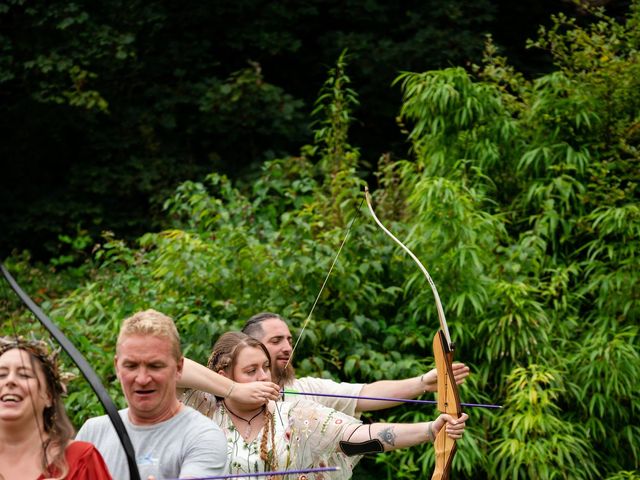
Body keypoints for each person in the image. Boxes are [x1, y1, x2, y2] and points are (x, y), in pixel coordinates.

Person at [183, 332, 468, 479]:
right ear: (223, 375)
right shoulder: (200, 406)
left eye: (265, 368)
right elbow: (169, 366)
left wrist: (430, 429)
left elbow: (357, 437)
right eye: (250, 371)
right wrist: (232, 391)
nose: (262, 376)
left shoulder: (294, 414)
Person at [181, 312, 470, 417]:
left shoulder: (305, 389)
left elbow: (366, 394)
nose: (286, 348)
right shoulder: (211, 397)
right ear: (250, 346)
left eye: (289, 339)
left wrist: (422, 382)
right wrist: (234, 390)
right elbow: (172, 368)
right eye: (276, 340)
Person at [76, 309, 237, 480]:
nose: (142, 379)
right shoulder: (92, 432)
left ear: (179, 368)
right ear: (117, 367)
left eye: (155, 366)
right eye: (131, 366)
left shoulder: (203, 436)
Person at [0, 336, 111, 480]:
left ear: (48, 396)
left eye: (24, 375)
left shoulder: (81, 459)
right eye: (1, 374)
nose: (10, 381)